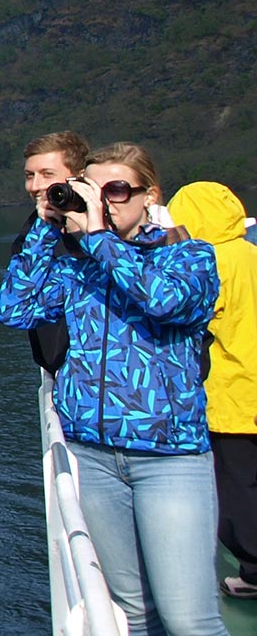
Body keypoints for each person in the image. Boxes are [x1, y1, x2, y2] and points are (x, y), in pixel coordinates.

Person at [0, 141, 225, 636]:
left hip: (168, 460)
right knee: (133, 615)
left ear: (150, 195)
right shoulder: (80, 268)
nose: (107, 201)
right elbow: (13, 309)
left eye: (118, 190)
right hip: (94, 459)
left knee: (190, 622)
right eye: (95, 191)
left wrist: (96, 234)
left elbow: (162, 301)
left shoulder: (188, 258)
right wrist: (44, 226)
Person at [167, 182, 257, 600]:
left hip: (233, 396)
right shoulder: (251, 253)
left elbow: (194, 326)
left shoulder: (209, 265)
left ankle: (253, 571)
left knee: (238, 489)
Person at [15, 131, 91, 371]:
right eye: (30, 176)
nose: (35, 186)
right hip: (64, 376)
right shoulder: (29, 238)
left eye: (47, 174)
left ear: (79, 177)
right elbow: (11, 310)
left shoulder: (119, 230)